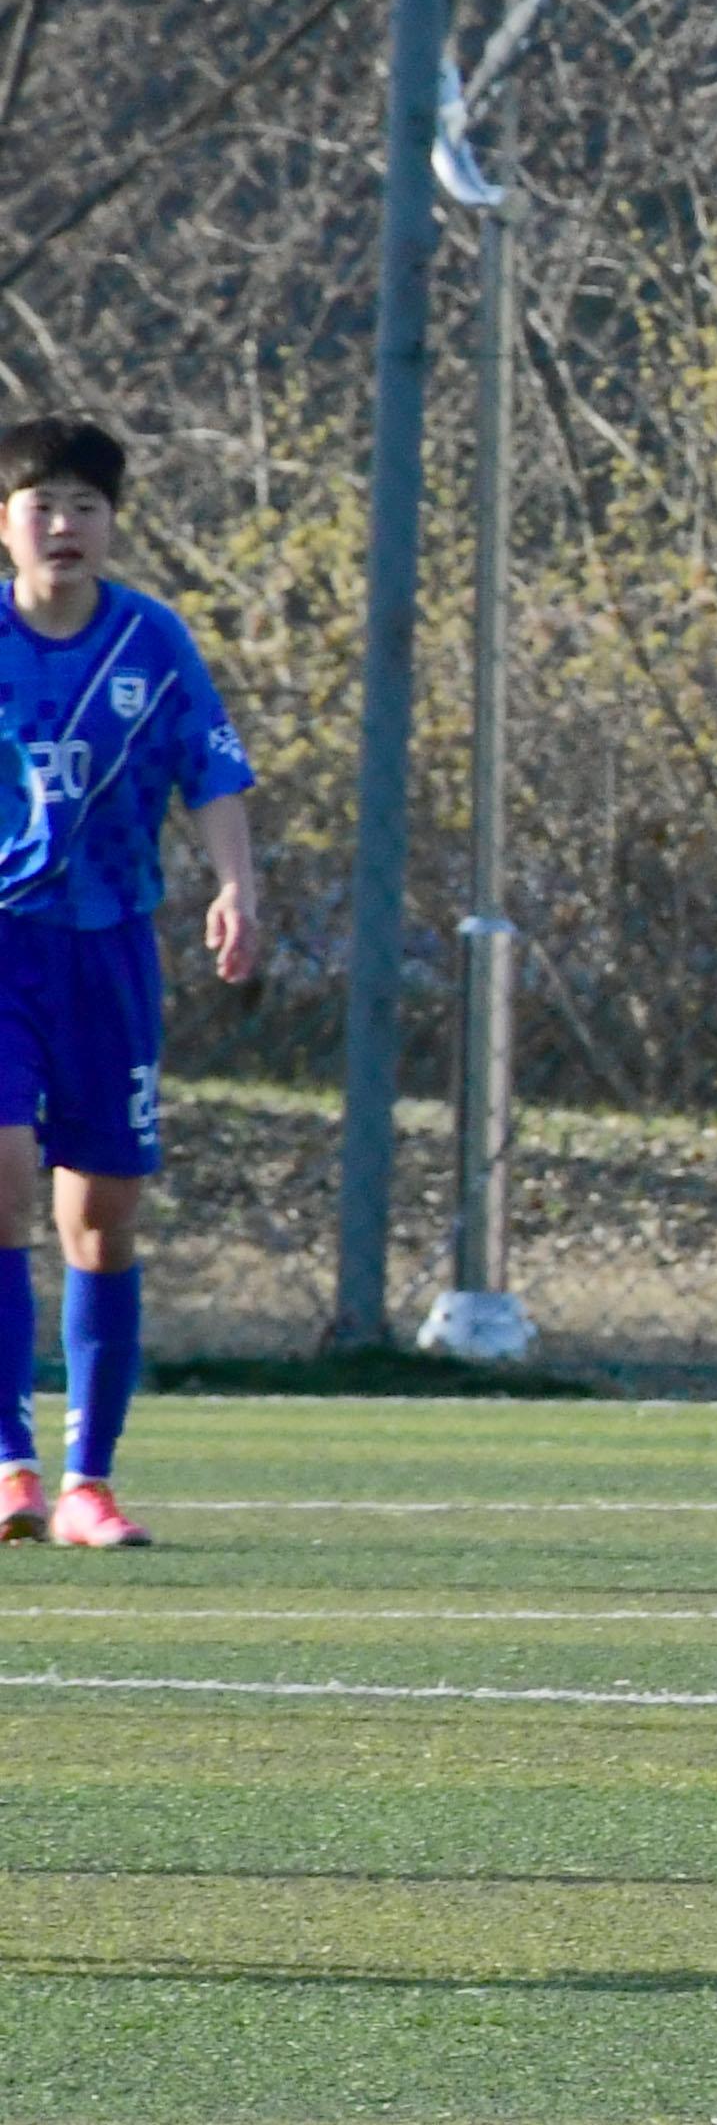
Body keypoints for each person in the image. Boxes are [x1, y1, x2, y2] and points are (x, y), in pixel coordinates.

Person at [0, 415, 261, 1549]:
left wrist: (235, 883)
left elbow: (210, 765)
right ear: (6, 521)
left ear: (112, 523)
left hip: (108, 947)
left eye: (86, 506)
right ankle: (9, 1462)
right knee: (1, 1181)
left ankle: (87, 1482)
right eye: (42, 503)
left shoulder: (152, 640)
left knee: (99, 1219)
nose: (64, 524)